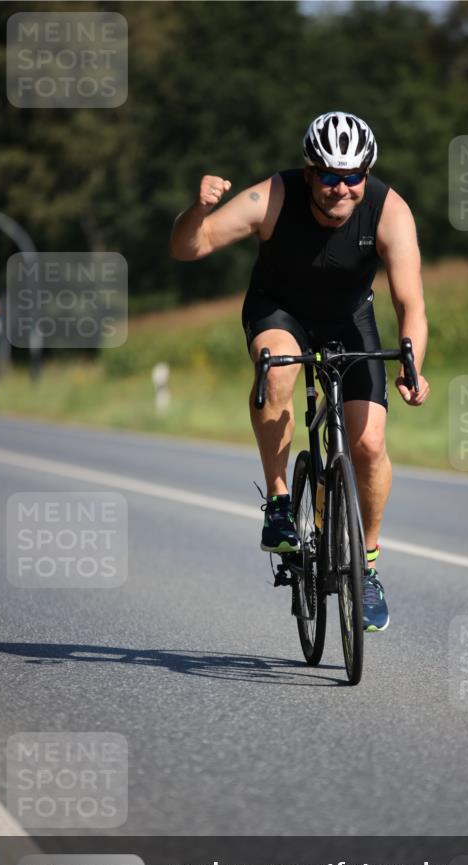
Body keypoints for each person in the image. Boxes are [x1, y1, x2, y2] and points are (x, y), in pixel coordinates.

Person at [170, 111, 430, 632]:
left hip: (349, 317)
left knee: (370, 446)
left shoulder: (389, 210)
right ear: (309, 172)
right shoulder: (272, 198)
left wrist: (411, 363)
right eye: (329, 175)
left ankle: (369, 566)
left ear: (366, 174)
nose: (340, 188)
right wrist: (196, 211)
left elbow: (411, 304)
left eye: (352, 176)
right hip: (279, 310)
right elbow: (188, 247)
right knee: (279, 373)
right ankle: (281, 500)